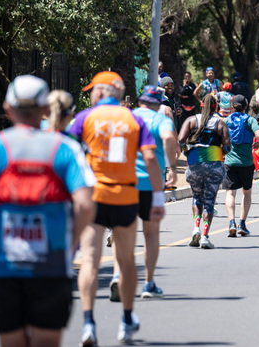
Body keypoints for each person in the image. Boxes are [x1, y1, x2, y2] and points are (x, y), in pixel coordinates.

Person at [0, 75, 96, 347]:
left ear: (7, 109)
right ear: (45, 110)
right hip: (51, 263)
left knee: (12, 341)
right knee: (46, 340)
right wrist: (71, 242)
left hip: (3, 263)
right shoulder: (67, 148)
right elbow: (86, 204)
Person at [69, 71, 165, 345]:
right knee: (125, 260)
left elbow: (66, 152)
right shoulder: (132, 118)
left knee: (90, 259)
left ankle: (88, 323)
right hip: (125, 195)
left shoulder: (84, 118)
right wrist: (157, 199)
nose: (90, 94)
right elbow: (149, 157)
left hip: (93, 196)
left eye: (91, 91)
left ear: (100, 93)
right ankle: (126, 319)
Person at [110, 86, 179, 300]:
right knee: (150, 234)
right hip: (151, 183)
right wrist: (173, 167)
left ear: (140, 101)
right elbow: (168, 138)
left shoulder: (126, 117)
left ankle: (116, 274)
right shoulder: (161, 120)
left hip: (125, 183)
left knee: (121, 233)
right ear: (158, 103)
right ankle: (148, 283)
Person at [178, 94, 230, 249]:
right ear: (216, 107)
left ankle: (196, 229)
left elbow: (180, 141)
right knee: (209, 201)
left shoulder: (191, 120)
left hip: (194, 164)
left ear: (201, 105)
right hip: (214, 164)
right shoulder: (220, 124)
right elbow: (227, 148)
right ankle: (205, 236)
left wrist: (188, 153)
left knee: (196, 197)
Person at [223, 95, 259, 236]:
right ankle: (242, 224)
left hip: (229, 161)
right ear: (246, 106)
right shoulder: (250, 120)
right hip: (246, 162)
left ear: (232, 106)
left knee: (230, 193)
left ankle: (231, 222)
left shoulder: (226, 120)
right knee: (246, 193)